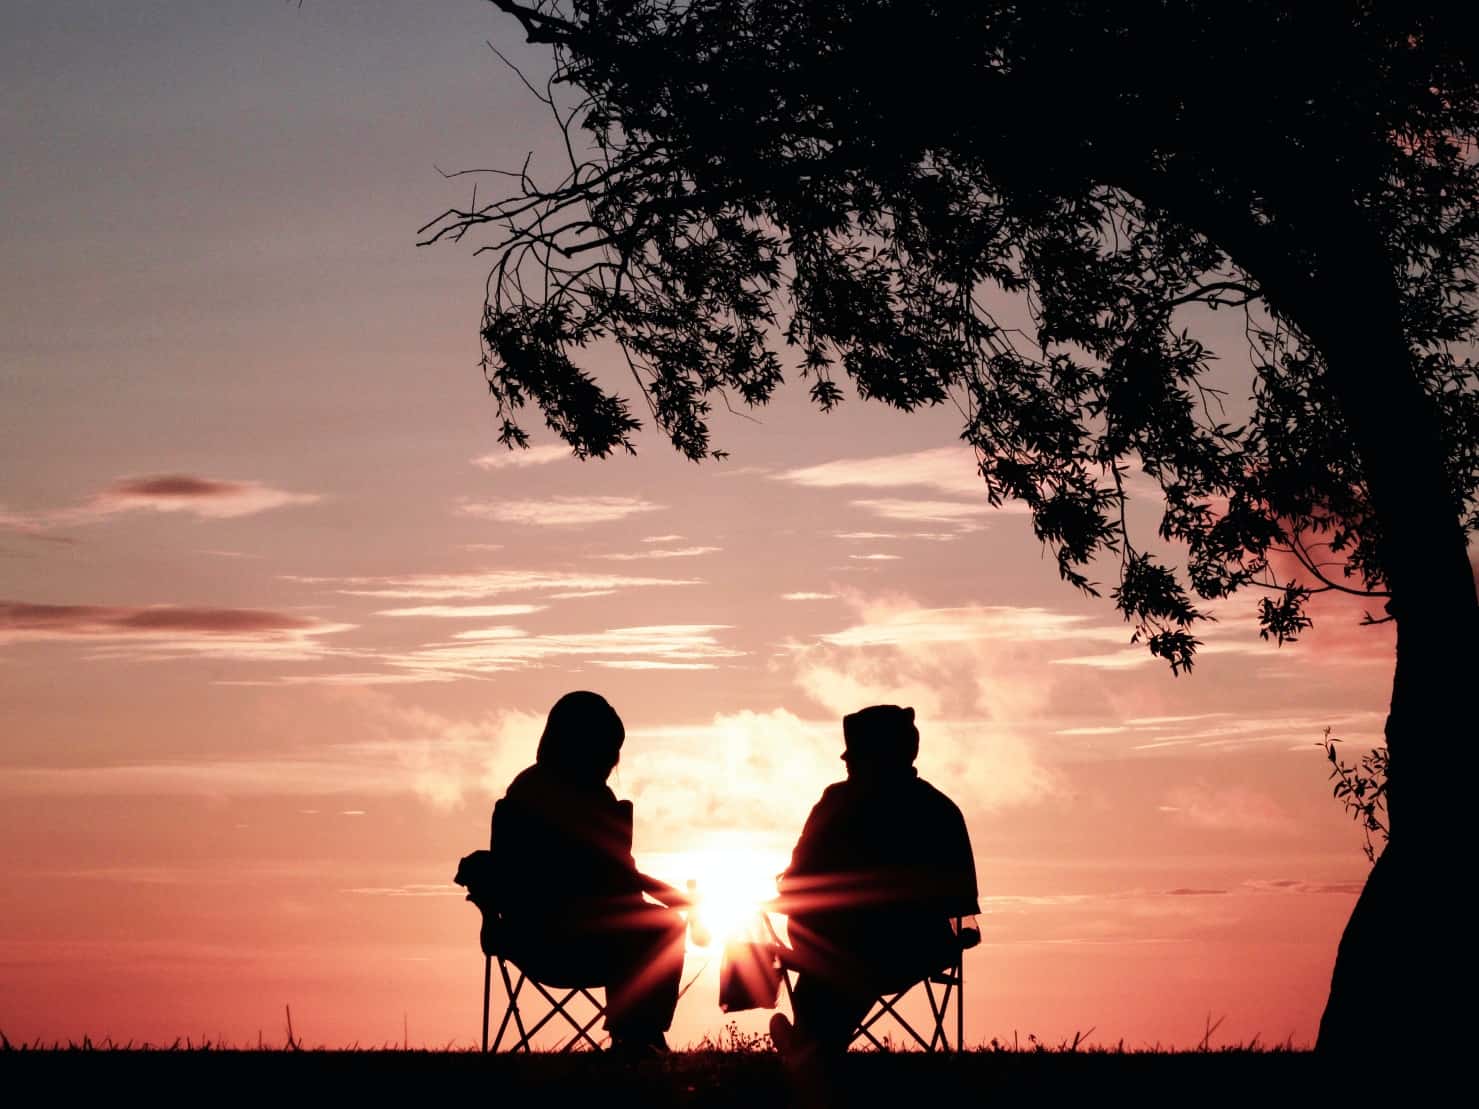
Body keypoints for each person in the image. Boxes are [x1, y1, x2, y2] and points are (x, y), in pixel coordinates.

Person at [485, 690, 689, 1056]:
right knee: (664, 927)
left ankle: (636, 1034)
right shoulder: (575, 799)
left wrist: (672, 898)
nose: (612, 760)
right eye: (608, 748)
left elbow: (623, 875)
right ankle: (638, 1035)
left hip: (529, 937)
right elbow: (618, 877)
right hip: (571, 939)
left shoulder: (526, 790)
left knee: (654, 926)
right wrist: (678, 903)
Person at [770, 705, 980, 1060]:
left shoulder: (835, 803)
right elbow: (963, 904)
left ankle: (810, 1045)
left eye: (853, 758)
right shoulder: (940, 810)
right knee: (844, 959)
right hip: (914, 950)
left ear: (874, 757)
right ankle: (811, 1044)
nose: (847, 765)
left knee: (838, 959)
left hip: (846, 949)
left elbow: (795, 881)